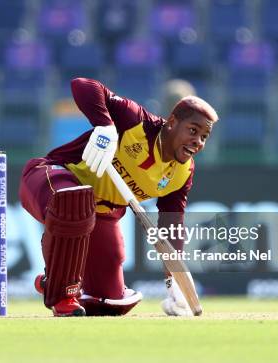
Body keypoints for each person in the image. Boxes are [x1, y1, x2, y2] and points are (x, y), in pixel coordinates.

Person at [19, 78, 218, 317]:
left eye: (204, 137)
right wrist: (104, 126)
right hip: (51, 177)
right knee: (73, 202)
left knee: (111, 302)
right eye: (193, 131)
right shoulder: (137, 123)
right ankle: (62, 294)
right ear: (172, 122)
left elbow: (171, 225)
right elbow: (82, 85)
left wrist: (172, 278)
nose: (197, 141)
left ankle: (54, 280)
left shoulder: (182, 174)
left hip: (101, 212)